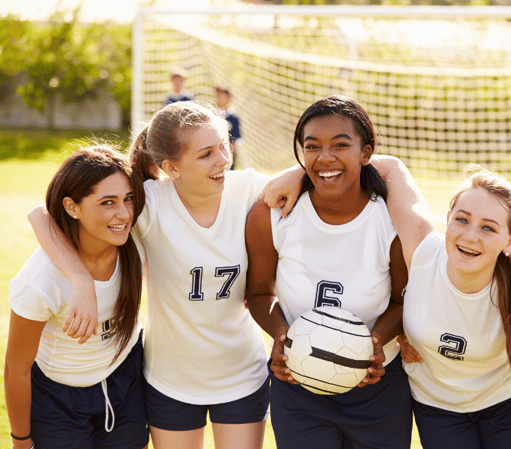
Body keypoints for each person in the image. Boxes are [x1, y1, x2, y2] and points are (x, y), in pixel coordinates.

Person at [29, 100, 428, 449]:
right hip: (169, 376)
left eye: (224, 146)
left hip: (241, 373)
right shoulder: (149, 204)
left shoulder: (253, 191)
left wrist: (297, 172)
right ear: (171, 168)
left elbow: (337, 165)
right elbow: (44, 214)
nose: (222, 159)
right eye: (206, 154)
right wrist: (80, 281)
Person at [245, 95, 414, 449]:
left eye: (340, 145)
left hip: (377, 390)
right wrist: (281, 337)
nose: (325, 158)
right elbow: (260, 293)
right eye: (312, 146)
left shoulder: (391, 222)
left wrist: (376, 342)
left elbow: (403, 301)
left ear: (366, 153)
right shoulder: (271, 215)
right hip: (298, 387)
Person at [398, 167, 511, 449]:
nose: (471, 236)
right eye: (462, 220)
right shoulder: (422, 252)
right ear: (447, 220)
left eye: (488, 227)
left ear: (510, 240)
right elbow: (391, 168)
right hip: (437, 405)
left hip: (503, 403)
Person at [5, 146, 149, 449]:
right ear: (72, 207)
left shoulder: (135, 238)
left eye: (128, 199)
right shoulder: (41, 281)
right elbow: (17, 368)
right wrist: (21, 441)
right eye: (107, 202)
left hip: (125, 380)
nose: (123, 213)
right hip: (58, 398)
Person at [215, 85, 244, 169]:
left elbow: (235, 138)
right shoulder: (213, 115)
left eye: (221, 96)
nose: (219, 98)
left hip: (229, 152)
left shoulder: (233, 117)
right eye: (217, 96)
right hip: (215, 152)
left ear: (228, 98)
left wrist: (229, 154)